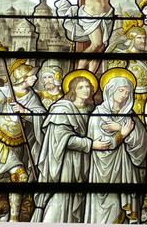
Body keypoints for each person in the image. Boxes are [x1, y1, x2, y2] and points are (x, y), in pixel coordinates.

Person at [0, 59, 46, 222]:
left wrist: (25, 111)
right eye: (32, 75)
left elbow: (41, 116)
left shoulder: (31, 96)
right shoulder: (2, 93)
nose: (35, 77)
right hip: (0, 142)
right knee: (20, 176)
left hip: (19, 144)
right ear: (22, 77)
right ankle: (14, 218)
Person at [32, 70, 110, 222]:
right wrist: (91, 144)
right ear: (73, 89)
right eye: (81, 87)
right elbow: (63, 140)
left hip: (83, 161)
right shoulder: (62, 109)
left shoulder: (91, 110)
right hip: (64, 162)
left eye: (88, 87)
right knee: (61, 199)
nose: (86, 90)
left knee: (77, 202)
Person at [84, 68, 147, 223]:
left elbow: (143, 142)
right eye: (121, 90)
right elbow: (104, 145)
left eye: (127, 92)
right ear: (111, 90)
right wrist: (123, 133)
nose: (124, 95)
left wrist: (120, 128)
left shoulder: (130, 116)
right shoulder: (97, 115)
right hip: (102, 173)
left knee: (121, 214)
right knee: (106, 214)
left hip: (126, 172)